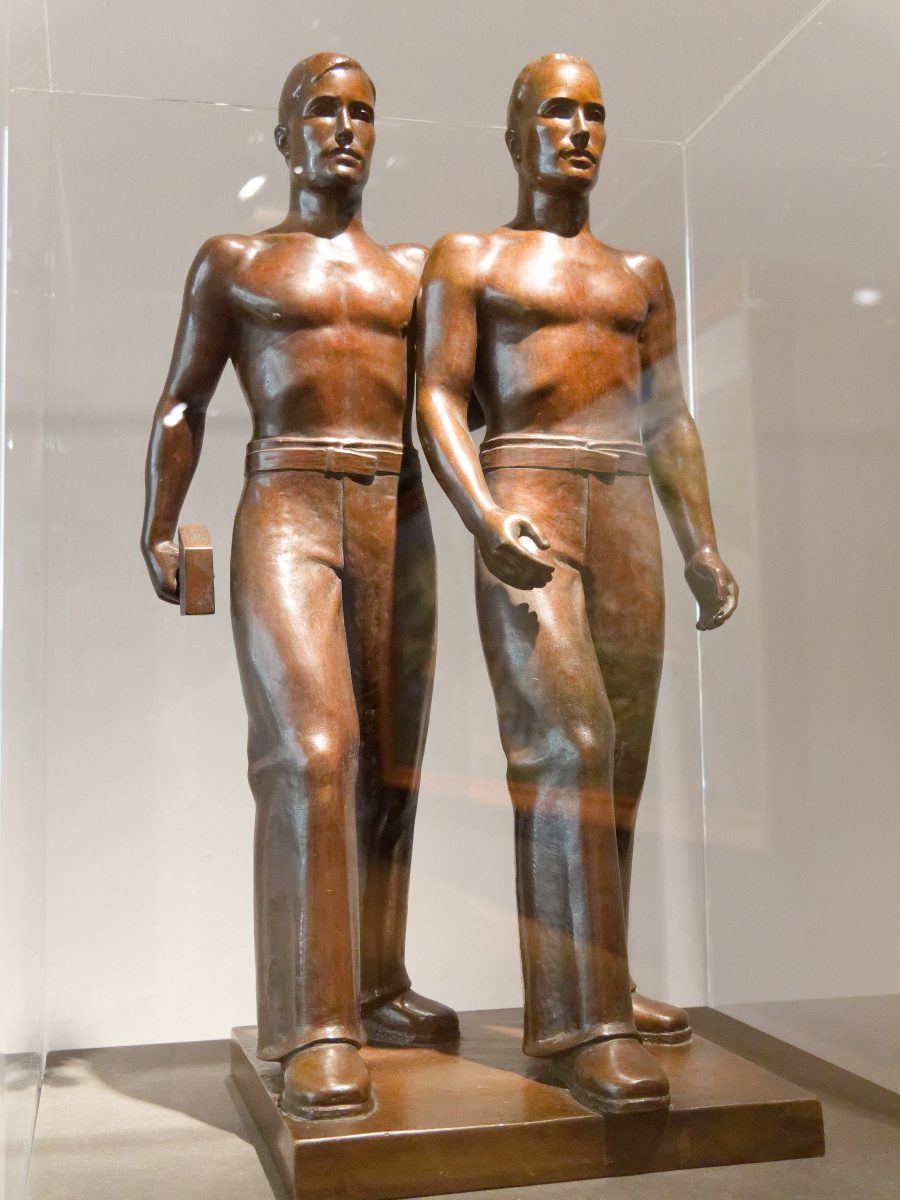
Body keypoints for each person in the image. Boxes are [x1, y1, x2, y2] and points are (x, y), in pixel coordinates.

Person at [416, 52, 737, 1114]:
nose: (580, 129)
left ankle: (604, 980)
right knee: (572, 743)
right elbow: (437, 395)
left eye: (595, 113)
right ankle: (580, 1024)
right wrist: (482, 512)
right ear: (517, 133)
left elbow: (669, 416)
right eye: (557, 111)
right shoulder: (472, 256)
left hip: (627, 504)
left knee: (623, 762)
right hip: (529, 490)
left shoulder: (639, 273)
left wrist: (701, 543)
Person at [141, 52, 457, 1122]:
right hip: (286, 500)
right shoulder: (237, 262)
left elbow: (457, 400)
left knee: (393, 769)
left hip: (399, 509)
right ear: (285, 136)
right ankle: (313, 1023)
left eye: (362, 111)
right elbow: (183, 402)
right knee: (314, 751)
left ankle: (376, 983)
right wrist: (158, 522)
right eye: (323, 110)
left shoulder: (416, 271)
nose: (345, 127)